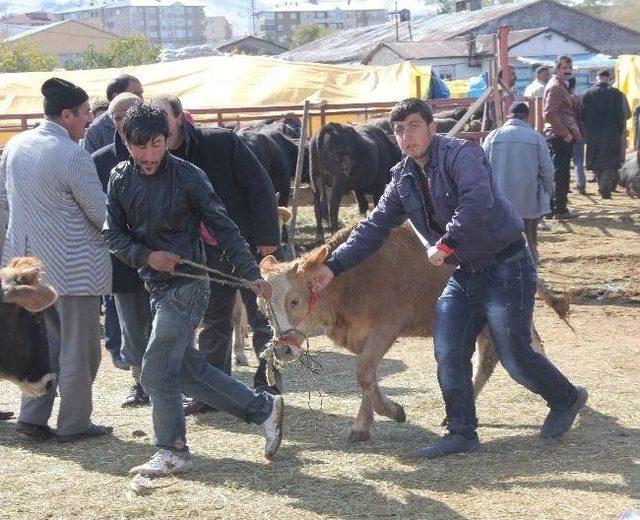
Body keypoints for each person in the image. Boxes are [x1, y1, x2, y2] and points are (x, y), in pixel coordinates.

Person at [307, 98, 587, 459]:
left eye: (413, 126)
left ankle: (567, 398)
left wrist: (447, 242)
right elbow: (374, 227)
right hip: (464, 271)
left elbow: (476, 200)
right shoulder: (401, 179)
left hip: (505, 264)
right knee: (449, 349)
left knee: (515, 353)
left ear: (431, 128)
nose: (407, 136)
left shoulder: (462, 155)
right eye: (399, 130)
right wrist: (334, 266)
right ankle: (461, 432)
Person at [102, 103, 284, 476]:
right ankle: (262, 409)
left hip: (188, 286)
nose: (149, 155)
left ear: (168, 138)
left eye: (156, 145)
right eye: (140, 147)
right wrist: (148, 256)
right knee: (185, 370)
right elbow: (113, 236)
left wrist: (251, 273)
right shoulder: (120, 177)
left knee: (154, 371)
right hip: (156, 285)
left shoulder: (189, 177)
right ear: (125, 141)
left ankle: (172, 450)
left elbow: (225, 226)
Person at [150, 95, 281, 415]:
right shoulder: (157, 157)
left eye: (164, 116)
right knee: (214, 322)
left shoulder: (220, 142)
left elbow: (260, 186)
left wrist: (266, 238)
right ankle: (214, 393)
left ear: (180, 117)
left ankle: (268, 389)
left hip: (246, 243)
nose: (160, 124)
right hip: (203, 252)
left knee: (264, 318)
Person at [0, 78, 112, 442]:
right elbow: (99, 213)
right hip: (73, 269)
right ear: (66, 115)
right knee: (80, 351)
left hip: (25, 271)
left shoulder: (15, 144)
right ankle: (75, 423)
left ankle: (32, 418)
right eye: (83, 115)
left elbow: (5, 203)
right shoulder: (73, 154)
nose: (88, 122)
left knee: (41, 344)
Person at [92, 92, 151, 407]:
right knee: (131, 323)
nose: (122, 123)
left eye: (127, 115)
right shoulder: (100, 159)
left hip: (161, 255)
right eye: (115, 118)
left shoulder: (161, 154)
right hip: (123, 257)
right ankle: (140, 382)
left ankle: (173, 380)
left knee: (165, 321)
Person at [482, 102, 554, 263]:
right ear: (527, 117)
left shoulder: (493, 136)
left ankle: (504, 270)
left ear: (509, 117)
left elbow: (481, 168)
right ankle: (532, 269)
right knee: (529, 237)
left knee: (502, 240)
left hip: (500, 201)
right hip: (528, 199)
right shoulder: (536, 138)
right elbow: (547, 170)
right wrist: (549, 191)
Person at [580, 69, 631, 199]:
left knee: (596, 161)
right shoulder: (617, 94)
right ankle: (605, 186)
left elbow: (582, 116)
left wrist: (586, 133)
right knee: (611, 162)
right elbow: (621, 116)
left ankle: (601, 184)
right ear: (608, 79)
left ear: (597, 79)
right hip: (612, 133)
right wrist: (619, 132)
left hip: (593, 134)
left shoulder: (586, 94)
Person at [543, 55, 582, 219]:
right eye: (564, 68)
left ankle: (554, 207)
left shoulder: (560, 85)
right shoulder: (557, 86)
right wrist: (565, 134)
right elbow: (549, 113)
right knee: (561, 173)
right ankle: (559, 209)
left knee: (559, 172)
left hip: (559, 134)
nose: (567, 71)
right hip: (559, 135)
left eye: (569, 68)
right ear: (557, 68)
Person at [83, 74, 144, 154]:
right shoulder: (96, 131)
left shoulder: (147, 122)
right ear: (116, 96)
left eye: (141, 94)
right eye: (136, 94)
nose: (141, 99)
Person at [568, 77, 587, 196]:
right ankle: (581, 184)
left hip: (563, 132)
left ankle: (564, 185)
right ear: (574, 86)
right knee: (578, 161)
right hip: (577, 132)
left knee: (564, 162)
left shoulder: (561, 99)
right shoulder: (578, 99)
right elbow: (582, 117)